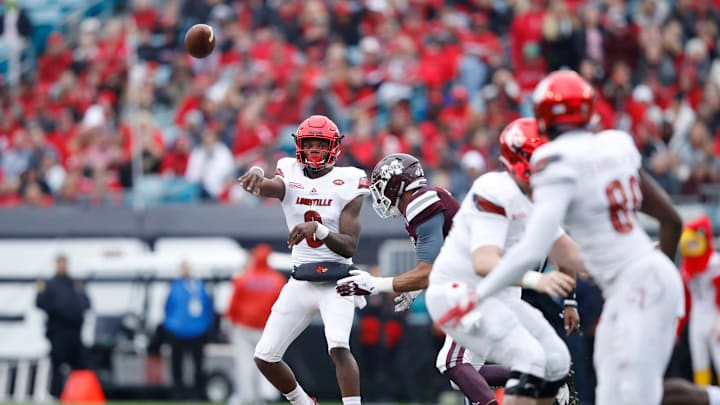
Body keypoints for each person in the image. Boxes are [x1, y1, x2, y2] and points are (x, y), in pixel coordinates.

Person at [440, 70, 684, 405]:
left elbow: (531, 250)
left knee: (638, 396)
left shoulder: (554, 161)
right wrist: (652, 264)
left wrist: (476, 296)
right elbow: (670, 219)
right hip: (638, 278)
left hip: (637, 285)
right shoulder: (617, 142)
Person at [426, 116, 588, 405]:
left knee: (555, 362)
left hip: (505, 296)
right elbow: (484, 263)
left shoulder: (539, 199)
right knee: (468, 362)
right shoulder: (493, 190)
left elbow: (569, 253)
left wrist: (624, 258)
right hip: (462, 292)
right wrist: (538, 279)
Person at [335, 152, 510, 405]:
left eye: (382, 187)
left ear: (395, 183)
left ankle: (542, 379)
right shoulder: (426, 201)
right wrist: (413, 289)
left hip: (480, 287)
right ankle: (538, 379)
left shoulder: (421, 202)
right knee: (462, 372)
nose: (380, 195)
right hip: (483, 284)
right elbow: (438, 265)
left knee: (452, 363)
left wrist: (375, 284)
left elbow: (428, 271)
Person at [237, 114, 369, 405]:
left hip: (337, 279)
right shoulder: (289, 170)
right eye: (308, 143)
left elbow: (349, 247)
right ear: (298, 145)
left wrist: (319, 230)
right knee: (265, 356)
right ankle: (303, 402)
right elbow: (272, 186)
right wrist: (258, 172)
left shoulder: (348, 180)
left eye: (320, 144)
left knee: (338, 347)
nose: (313, 150)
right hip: (301, 280)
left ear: (334, 147)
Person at [226, 244, 285, 405]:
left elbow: (232, 306)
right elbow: (281, 307)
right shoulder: (277, 280)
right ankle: (268, 395)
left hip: (243, 328)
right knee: (268, 362)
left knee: (245, 364)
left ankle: (247, 397)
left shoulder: (242, 278)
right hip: (266, 330)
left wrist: (229, 322)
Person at [35, 254, 91, 398]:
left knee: (79, 365)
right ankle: (57, 395)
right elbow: (40, 302)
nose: (63, 266)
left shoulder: (75, 284)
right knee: (57, 364)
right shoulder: (49, 284)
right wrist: (58, 310)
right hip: (58, 331)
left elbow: (86, 303)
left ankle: (79, 395)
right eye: (60, 263)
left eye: (64, 263)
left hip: (75, 331)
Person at [163, 260, 215, 400]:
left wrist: (205, 326)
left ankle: (198, 393)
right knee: (177, 365)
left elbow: (207, 308)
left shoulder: (199, 286)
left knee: (198, 366)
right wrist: (170, 326)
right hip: (177, 332)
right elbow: (168, 308)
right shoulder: (174, 286)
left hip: (197, 332)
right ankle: (178, 393)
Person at [678, 216, 720, 386]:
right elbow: (686, 300)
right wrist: (679, 326)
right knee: (699, 364)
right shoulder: (686, 266)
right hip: (697, 321)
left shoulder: (714, 262)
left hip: (714, 318)